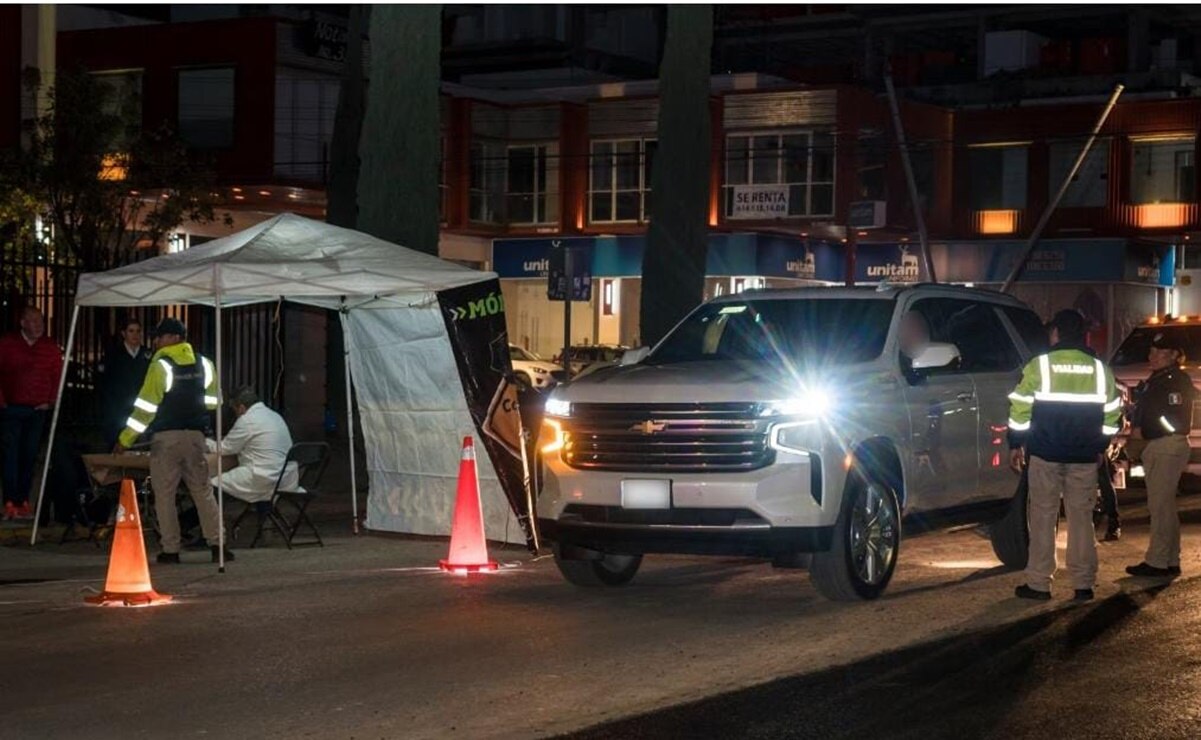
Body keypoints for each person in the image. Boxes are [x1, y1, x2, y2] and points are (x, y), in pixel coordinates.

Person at [1007, 309, 1121, 602]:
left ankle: (1039, 584)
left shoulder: (1040, 366)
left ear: (1056, 332)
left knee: (1043, 517)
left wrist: (1016, 443)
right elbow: (1113, 414)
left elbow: (1020, 408)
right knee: (1082, 519)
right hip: (1084, 457)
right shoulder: (1100, 370)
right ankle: (1083, 584)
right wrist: (1100, 445)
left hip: (1045, 454)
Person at [114, 317, 232, 564]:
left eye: (160, 337)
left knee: (165, 495)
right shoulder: (205, 364)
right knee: (202, 491)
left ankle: (171, 549)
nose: (156, 342)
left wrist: (125, 439)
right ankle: (218, 544)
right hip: (196, 436)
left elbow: (146, 409)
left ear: (173, 338)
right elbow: (215, 403)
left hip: (166, 438)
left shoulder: (161, 366)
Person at [1125, 331, 1195, 578]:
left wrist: (1146, 430)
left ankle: (1157, 561)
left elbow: (1175, 421)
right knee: (1164, 506)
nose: (1152, 355)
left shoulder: (1175, 380)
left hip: (1166, 445)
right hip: (1159, 445)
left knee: (1160, 507)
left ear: (1175, 355)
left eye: (1160, 351)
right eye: (1152, 351)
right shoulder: (1158, 378)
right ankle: (1170, 559)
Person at [0, 307, 64, 520]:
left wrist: (50, 401)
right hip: (11, 408)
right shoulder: (7, 344)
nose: (39, 326)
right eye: (34, 321)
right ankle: (10, 501)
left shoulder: (49, 347)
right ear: (23, 323)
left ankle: (23, 500)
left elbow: (57, 375)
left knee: (29, 456)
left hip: (37, 409)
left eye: (41, 321)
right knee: (10, 455)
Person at [208, 385, 297, 503]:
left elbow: (224, 449)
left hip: (262, 478)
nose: (235, 414)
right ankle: (263, 510)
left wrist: (206, 442)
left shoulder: (247, 420)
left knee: (211, 484)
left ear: (241, 408)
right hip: (285, 478)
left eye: (234, 410)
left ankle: (203, 515)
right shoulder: (274, 416)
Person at [97, 317, 152, 449]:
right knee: (117, 446)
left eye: (138, 331)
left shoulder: (147, 354)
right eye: (131, 331)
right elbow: (104, 384)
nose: (135, 335)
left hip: (140, 408)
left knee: (140, 447)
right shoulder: (113, 354)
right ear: (123, 333)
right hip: (117, 409)